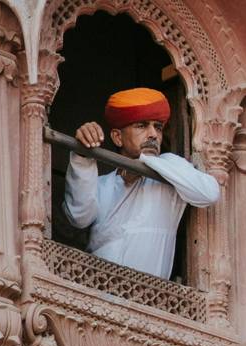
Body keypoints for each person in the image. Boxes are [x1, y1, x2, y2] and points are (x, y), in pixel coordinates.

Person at [62, 88, 220, 279]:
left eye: (158, 127)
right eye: (142, 126)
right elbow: (79, 218)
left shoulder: (170, 168)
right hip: (100, 291)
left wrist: (147, 160)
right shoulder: (102, 185)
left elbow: (209, 193)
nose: (153, 134)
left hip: (148, 298)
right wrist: (82, 156)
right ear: (117, 137)